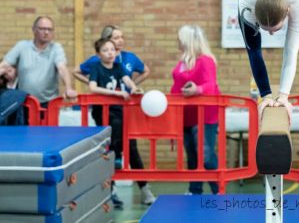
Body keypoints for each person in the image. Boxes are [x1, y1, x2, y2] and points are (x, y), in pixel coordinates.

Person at [73, 25, 155, 206]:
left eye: (121, 37)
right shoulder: (96, 63)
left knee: (131, 146)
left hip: (124, 109)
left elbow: (130, 78)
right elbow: (83, 77)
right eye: (115, 38)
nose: (119, 41)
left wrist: (134, 87)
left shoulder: (124, 62)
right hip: (105, 111)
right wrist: (96, 84)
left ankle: (145, 189)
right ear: (104, 46)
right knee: (108, 148)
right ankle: (110, 190)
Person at [0, 16, 77, 106]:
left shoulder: (56, 48)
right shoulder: (22, 46)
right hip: (24, 102)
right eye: (42, 29)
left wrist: (68, 88)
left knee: (49, 137)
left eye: (49, 29)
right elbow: (2, 67)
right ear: (34, 30)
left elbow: (62, 68)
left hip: (49, 104)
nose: (46, 32)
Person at [170, 25, 221, 195]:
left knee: (205, 155)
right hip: (185, 115)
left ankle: (219, 190)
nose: (177, 41)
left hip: (203, 116)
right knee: (192, 156)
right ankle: (194, 190)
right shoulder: (183, 61)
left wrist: (197, 89)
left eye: (179, 38)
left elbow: (211, 85)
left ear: (187, 41)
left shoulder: (205, 60)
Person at [74, 25, 151, 86]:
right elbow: (76, 72)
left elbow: (146, 71)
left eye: (122, 37)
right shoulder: (97, 59)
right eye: (116, 38)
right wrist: (93, 83)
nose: (121, 40)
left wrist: (131, 84)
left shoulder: (130, 57)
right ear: (106, 40)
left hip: (124, 101)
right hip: (103, 102)